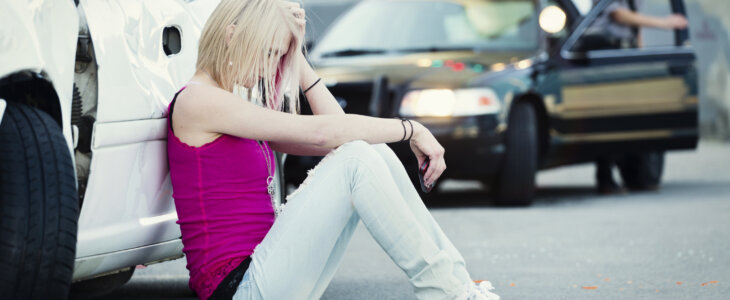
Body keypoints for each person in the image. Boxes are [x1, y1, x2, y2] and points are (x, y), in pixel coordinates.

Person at [166, 1, 499, 299]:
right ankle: (445, 290)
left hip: (266, 272)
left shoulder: (232, 106)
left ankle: (455, 285)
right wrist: (411, 128)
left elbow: (340, 135)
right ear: (231, 36)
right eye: (269, 53)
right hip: (240, 288)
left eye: (279, 57)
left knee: (370, 151)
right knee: (356, 159)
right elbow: (324, 134)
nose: (272, 68)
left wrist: (297, 59)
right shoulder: (198, 101)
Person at [587, 0, 687, 193]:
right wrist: (665, 23)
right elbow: (618, 15)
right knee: (607, 116)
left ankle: (637, 174)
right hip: (605, 52)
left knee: (628, 118)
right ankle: (605, 176)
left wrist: (640, 58)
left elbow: (635, 26)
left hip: (626, 53)